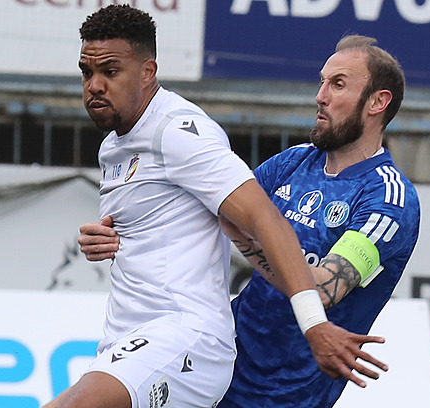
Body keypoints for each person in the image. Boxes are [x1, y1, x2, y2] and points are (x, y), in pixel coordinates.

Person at [50, 6, 387, 408]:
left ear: (147, 71)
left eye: (110, 71)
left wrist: (313, 323)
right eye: (87, 73)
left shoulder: (177, 132)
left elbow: (264, 217)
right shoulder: (114, 146)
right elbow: (170, 220)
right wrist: (107, 237)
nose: (95, 85)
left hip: (184, 339)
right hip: (126, 337)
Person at [215, 35, 421, 407]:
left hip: (284, 396)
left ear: (378, 101)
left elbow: (324, 291)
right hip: (214, 365)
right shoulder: (292, 162)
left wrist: (248, 240)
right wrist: (124, 233)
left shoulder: (389, 199)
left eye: (337, 84)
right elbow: (209, 209)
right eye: (322, 82)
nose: (320, 96)